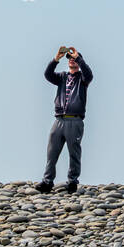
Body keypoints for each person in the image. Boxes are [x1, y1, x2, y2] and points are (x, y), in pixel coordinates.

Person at [36, 46, 94, 193]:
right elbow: (48, 75)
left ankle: (72, 182)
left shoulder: (82, 78)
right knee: (52, 152)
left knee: (74, 152)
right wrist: (56, 59)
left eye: (75, 59)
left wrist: (79, 59)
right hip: (59, 119)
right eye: (71, 59)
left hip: (75, 120)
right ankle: (47, 182)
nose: (72, 61)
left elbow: (89, 75)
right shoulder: (62, 77)